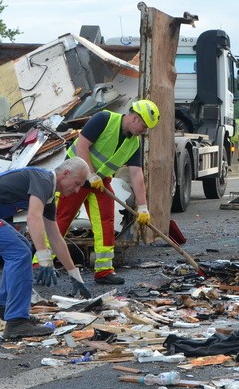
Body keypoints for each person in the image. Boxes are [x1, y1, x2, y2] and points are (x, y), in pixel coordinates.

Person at [0, 159, 93, 339]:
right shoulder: (43, 179)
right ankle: (16, 323)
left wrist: (74, 274)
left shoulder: (48, 194)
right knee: (19, 252)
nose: (76, 190)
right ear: (65, 173)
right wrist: (44, 260)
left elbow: (55, 236)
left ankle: (2, 311)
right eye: (77, 184)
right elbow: (33, 218)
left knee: (21, 248)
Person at [42, 99, 160, 285]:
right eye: (144, 126)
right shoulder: (104, 119)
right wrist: (89, 174)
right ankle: (40, 265)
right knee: (61, 219)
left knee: (106, 220)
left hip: (99, 181)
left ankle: (104, 270)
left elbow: (136, 173)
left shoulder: (133, 143)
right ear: (135, 118)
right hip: (74, 177)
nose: (145, 131)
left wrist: (143, 206)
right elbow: (82, 145)